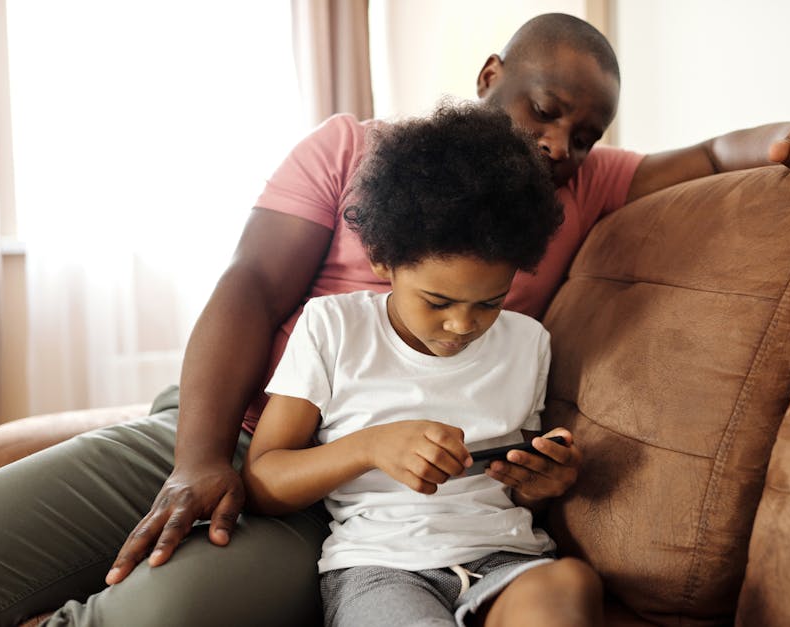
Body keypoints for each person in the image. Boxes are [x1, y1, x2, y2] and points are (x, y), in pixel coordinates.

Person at [0, 12, 790, 627]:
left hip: (360, 504)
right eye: (544, 112)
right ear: (491, 77)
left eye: (584, 133)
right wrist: (194, 458)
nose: (557, 146)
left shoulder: (580, 187)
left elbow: (709, 154)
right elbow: (249, 288)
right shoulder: (350, 147)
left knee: (157, 611)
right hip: (227, 417)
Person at [244, 101, 601, 627]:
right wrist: (368, 446)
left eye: (490, 302)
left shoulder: (528, 342)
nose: (462, 325)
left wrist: (542, 482)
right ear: (382, 260)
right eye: (437, 302)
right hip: (383, 566)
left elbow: (514, 483)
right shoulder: (332, 327)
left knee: (571, 583)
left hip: (508, 557)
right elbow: (263, 481)